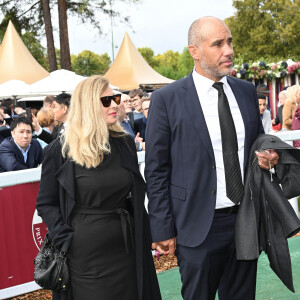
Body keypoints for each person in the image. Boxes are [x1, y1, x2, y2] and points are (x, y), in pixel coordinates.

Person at [145, 16, 279, 300]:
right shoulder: (167, 99)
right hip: (196, 227)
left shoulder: (245, 91)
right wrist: (162, 227)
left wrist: (268, 154)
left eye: (229, 41)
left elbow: (257, 141)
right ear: (194, 50)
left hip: (245, 222)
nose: (228, 50)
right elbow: (156, 170)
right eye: (218, 43)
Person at [36, 75, 161, 300]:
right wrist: (65, 239)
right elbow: (46, 202)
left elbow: (134, 197)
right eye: (106, 101)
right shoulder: (60, 151)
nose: (115, 104)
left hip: (126, 249)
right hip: (84, 256)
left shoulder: (123, 144)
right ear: (89, 106)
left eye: (114, 98)